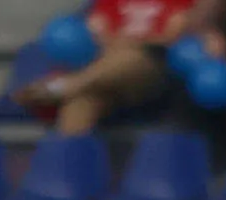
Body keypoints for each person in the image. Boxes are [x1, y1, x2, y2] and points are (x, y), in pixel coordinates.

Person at [16, 0, 200, 134]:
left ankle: (62, 87)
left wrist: (127, 42)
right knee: (80, 102)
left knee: (131, 57)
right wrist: (123, 42)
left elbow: (171, 35)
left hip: (152, 68)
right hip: (107, 70)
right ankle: (65, 167)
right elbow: (97, 33)